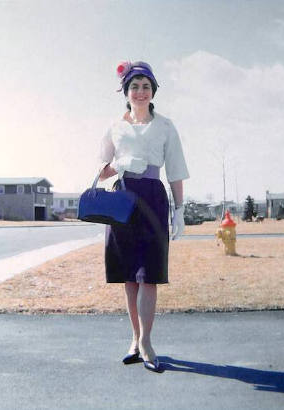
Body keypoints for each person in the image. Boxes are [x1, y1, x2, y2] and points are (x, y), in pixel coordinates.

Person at [99, 61, 189, 372]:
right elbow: (101, 170)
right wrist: (116, 163)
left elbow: (175, 171)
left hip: (152, 198)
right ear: (126, 92)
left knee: (149, 275)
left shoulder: (165, 126)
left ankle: (148, 341)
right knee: (129, 276)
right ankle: (135, 340)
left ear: (153, 92)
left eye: (146, 86)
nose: (140, 91)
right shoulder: (115, 127)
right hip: (122, 197)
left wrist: (179, 210)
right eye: (134, 86)